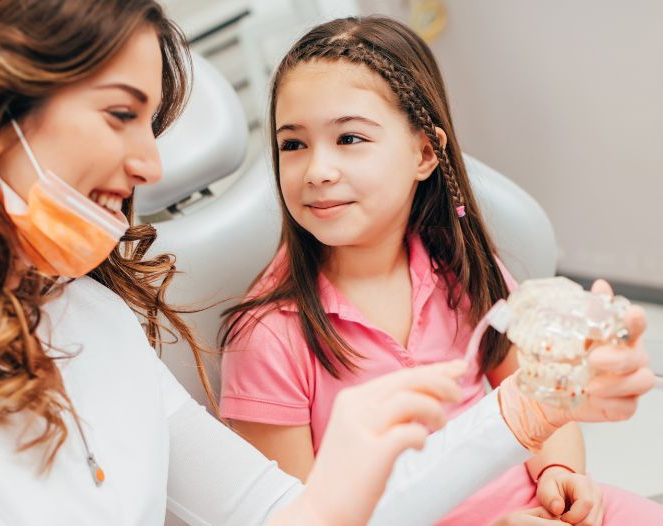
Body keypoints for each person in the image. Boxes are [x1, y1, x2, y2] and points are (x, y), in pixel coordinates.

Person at [0, 3, 654, 525]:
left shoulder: (100, 323)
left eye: (154, 126)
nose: (151, 165)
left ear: (425, 154)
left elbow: (285, 515)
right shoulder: (273, 329)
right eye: (120, 114)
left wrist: (532, 409)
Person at [218, 15, 663, 525]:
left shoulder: (465, 272)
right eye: (292, 145)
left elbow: (541, 403)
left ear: (425, 152)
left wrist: (560, 474)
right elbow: (306, 516)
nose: (317, 170)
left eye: (349, 139)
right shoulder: (267, 337)